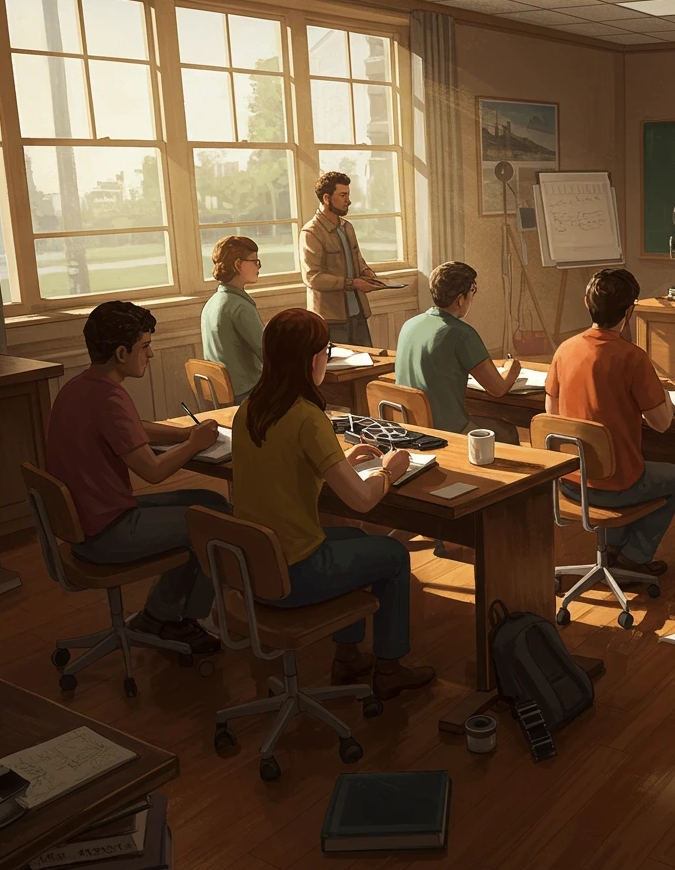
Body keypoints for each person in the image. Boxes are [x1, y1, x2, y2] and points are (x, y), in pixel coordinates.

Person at [231, 308, 435, 695]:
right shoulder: (308, 416)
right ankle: (389, 669)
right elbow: (361, 501)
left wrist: (339, 461)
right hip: (294, 572)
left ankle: (348, 659)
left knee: (355, 540)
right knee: (392, 554)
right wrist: (387, 469)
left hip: (252, 566)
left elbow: (287, 463)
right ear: (313, 359)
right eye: (326, 349)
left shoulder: (250, 409)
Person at [46, 301, 227, 654]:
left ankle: (161, 615)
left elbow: (133, 429)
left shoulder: (81, 386)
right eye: (145, 347)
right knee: (216, 521)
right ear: (121, 352)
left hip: (87, 520)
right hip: (106, 531)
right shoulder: (110, 397)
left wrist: (182, 435)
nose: (152, 355)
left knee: (213, 502)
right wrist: (194, 443)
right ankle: (182, 621)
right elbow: (154, 471)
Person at [545, 268, 675, 576]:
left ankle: (612, 548)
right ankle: (635, 556)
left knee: (628, 469)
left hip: (570, 481)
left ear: (586, 303)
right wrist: (660, 389)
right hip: (616, 485)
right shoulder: (633, 357)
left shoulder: (564, 350)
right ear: (630, 311)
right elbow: (661, 423)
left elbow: (552, 418)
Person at [395, 261, 521, 445]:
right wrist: (512, 368)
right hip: (445, 430)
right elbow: (498, 389)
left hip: (409, 425)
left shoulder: (410, 324)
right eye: (472, 293)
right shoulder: (461, 334)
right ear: (461, 299)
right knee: (506, 431)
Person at [299, 171, 393, 347]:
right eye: (343, 195)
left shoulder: (347, 227)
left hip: (357, 314)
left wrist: (367, 272)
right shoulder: (311, 233)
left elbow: (357, 258)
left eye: (348, 195)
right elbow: (312, 277)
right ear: (326, 198)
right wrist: (353, 283)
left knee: (367, 367)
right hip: (331, 319)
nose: (348, 201)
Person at [200, 235, 264, 403]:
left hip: (222, 394)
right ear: (238, 264)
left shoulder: (213, 303)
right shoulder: (240, 307)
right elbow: (267, 353)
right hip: (246, 393)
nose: (258, 266)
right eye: (255, 261)